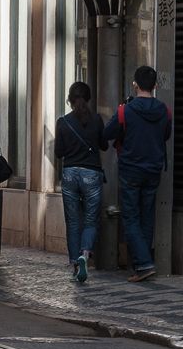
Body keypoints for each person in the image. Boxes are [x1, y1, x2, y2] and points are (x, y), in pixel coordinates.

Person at [103, 65, 173, 282]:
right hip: (153, 170)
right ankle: (141, 265)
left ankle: (143, 264)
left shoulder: (126, 110)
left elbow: (107, 133)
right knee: (147, 216)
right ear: (155, 85)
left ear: (135, 84)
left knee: (131, 218)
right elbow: (166, 135)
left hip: (131, 170)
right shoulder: (164, 111)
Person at [54, 81, 107, 283]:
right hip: (91, 174)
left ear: (69, 99)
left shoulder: (63, 122)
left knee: (73, 221)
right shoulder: (97, 120)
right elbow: (103, 145)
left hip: (69, 174)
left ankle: (75, 263)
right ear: (89, 98)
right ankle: (85, 254)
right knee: (91, 220)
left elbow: (59, 152)